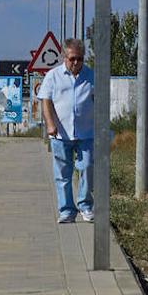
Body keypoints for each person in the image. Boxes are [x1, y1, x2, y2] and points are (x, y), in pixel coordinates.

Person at [38, 38, 95, 223]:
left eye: (79, 58)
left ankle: (85, 206)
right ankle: (67, 210)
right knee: (63, 174)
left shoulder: (91, 75)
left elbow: (100, 100)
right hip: (60, 134)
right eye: (72, 59)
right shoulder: (53, 76)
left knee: (86, 167)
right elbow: (45, 100)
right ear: (64, 57)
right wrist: (50, 124)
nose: (76, 62)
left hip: (86, 133)